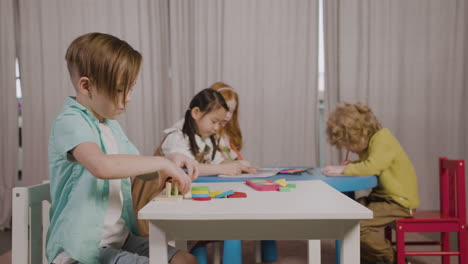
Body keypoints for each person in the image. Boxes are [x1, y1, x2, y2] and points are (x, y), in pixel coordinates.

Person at [47, 32, 198, 264]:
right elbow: (102, 166)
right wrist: (161, 163)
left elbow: (140, 167)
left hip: (119, 238)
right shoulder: (70, 121)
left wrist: (172, 158)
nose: (128, 98)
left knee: (185, 260)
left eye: (131, 88)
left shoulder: (110, 126)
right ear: (86, 86)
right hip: (82, 249)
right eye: (120, 90)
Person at [322, 102, 419, 264]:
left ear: (361, 133)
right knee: (348, 214)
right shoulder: (372, 142)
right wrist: (352, 165)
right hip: (382, 197)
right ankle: (366, 258)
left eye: (349, 144)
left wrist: (343, 170)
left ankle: (393, 258)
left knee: (358, 224)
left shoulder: (383, 139)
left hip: (398, 202)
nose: (349, 149)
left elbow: (372, 166)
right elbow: (370, 163)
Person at [209, 82, 243, 161]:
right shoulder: (206, 135)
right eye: (226, 109)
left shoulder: (227, 135)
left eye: (231, 111)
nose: (228, 116)